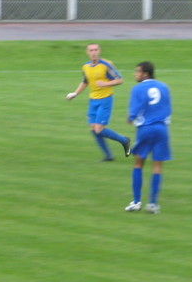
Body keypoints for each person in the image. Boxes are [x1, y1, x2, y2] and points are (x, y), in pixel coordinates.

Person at [65, 42, 131, 161]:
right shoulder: (85, 66)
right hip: (93, 100)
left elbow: (120, 80)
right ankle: (108, 156)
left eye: (96, 50)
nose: (94, 52)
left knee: (98, 129)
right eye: (91, 50)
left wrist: (105, 84)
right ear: (87, 52)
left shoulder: (106, 65)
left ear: (99, 51)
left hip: (105, 99)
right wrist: (75, 93)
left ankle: (124, 141)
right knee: (93, 130)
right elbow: (85, 81)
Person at [124, 61, 171, 213]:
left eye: (137, 71)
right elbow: (168, 109)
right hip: (162, 129)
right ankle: (152, 204)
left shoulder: (137, 88)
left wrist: (130, 118)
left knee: (138, 163)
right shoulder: (164, 87)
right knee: (157, 166)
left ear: (145, 74)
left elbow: (134, 112)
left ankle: (137, 202)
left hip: (146, 128)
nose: (134, 74)